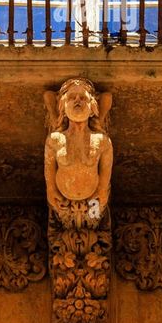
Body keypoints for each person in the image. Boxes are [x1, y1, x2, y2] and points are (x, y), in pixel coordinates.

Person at [44, 78, 113, 229]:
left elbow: (105, 172)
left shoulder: (102, 141)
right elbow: (49, 169)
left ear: (92, 109)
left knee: (97, 230)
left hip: (94, 203)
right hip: (62, 205)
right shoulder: (55, 140)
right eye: (71, 97)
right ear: (62, 108)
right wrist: (51, 189)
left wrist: (102, 190)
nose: (77, 100)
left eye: (83, 98)